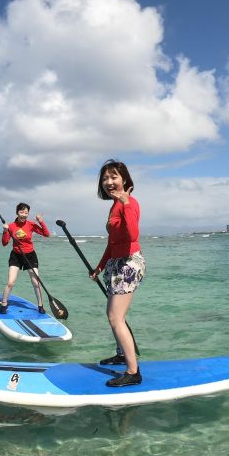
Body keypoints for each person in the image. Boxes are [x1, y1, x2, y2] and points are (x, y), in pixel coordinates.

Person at [90, 159, 145, 387]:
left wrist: (126, 203)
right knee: (112, 315)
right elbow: (112, 243)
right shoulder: (114, 205)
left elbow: (132, 235)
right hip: (116, 262)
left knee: (115, 317)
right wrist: (100, 265)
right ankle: (122, 354)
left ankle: (133, 372)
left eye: (114, 177)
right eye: (105, 178)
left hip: (129, 264)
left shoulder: (128, 202)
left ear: (124, 179)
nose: (109, 182)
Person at [0, 203, 50, 315]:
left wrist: (41, 221)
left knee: (36, 283)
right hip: (16, 256)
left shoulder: (31, 224)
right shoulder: (11, 226)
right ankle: (4, 303)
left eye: (26, 212)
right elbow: (4, 243)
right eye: (22, 212)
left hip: (30, 256)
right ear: (17, 212)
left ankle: (40, 305)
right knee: (11, 282)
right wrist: (5, 231)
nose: (24, 214)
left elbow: (47, 234)